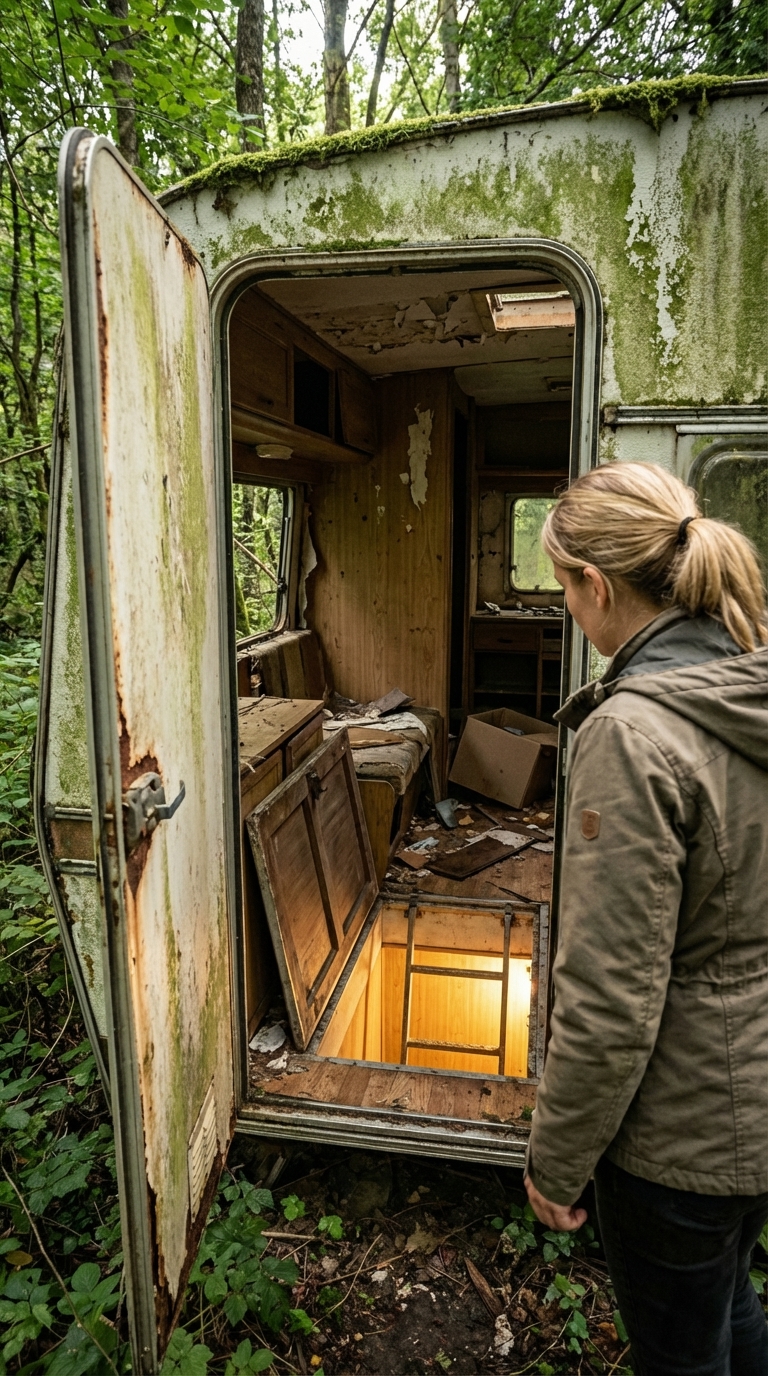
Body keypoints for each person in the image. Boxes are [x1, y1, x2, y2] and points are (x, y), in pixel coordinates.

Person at [522, 461, 768, 1375]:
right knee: (731, 1301)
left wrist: (555, 1161)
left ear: (595, 586)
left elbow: (611, 1000)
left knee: (680, 1353)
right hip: (755, 1107)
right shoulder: (748, 679)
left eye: (563, 587)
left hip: (684, 1134)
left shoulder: (633, 733)